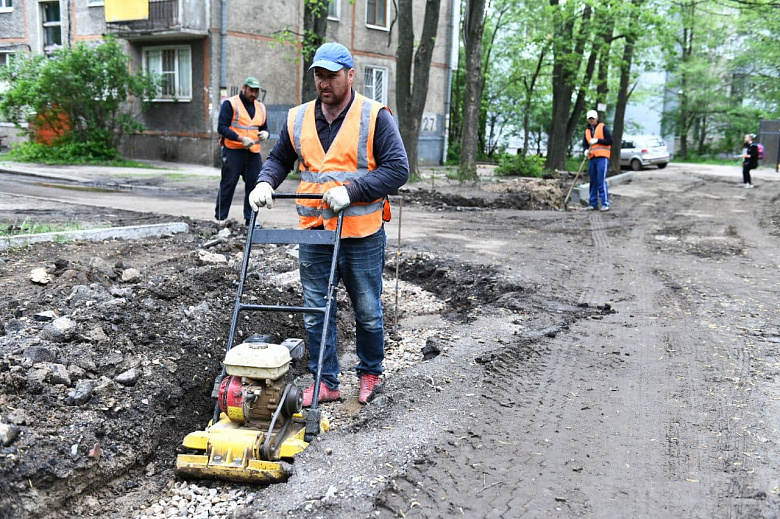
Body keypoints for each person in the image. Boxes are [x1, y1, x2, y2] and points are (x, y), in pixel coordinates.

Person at [248, 42, 409, 405]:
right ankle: (326, 381)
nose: (324, 83)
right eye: (319, 75)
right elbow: (279, 159)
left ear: (350, 76)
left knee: (367, 310)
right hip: (315, 233)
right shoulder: (298, 117)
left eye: (332, 76)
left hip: (361, 234)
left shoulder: (375, 116)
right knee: (315, 310)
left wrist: (353, 191)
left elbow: (398, 169)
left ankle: (369, 373)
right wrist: (263, 182)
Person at [215, 77, 270, 226]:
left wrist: (266, 134)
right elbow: (222, 127)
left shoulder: (261, 107)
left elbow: (263, 127)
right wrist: (240, 138)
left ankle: (250, 219)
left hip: (252, 152)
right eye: (251, 90)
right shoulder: (231, 104)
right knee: (228, 183)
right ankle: (221, 218)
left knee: (254, 185)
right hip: (233, 150)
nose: (253, 94)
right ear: (244, 88)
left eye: (256, 91)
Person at [583, 109, 613, 211]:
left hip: (602, 158)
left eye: (593, 118)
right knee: (593, 181)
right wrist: (585, 151)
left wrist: (598, 140)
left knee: (601, 180)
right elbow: (585, 144)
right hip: (592, 158)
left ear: (596, 118)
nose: (591, 120)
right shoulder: (587, 131)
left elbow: (610, 141)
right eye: (590, 119)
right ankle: (593, 203)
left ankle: (605, 203)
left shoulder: (603, 127)